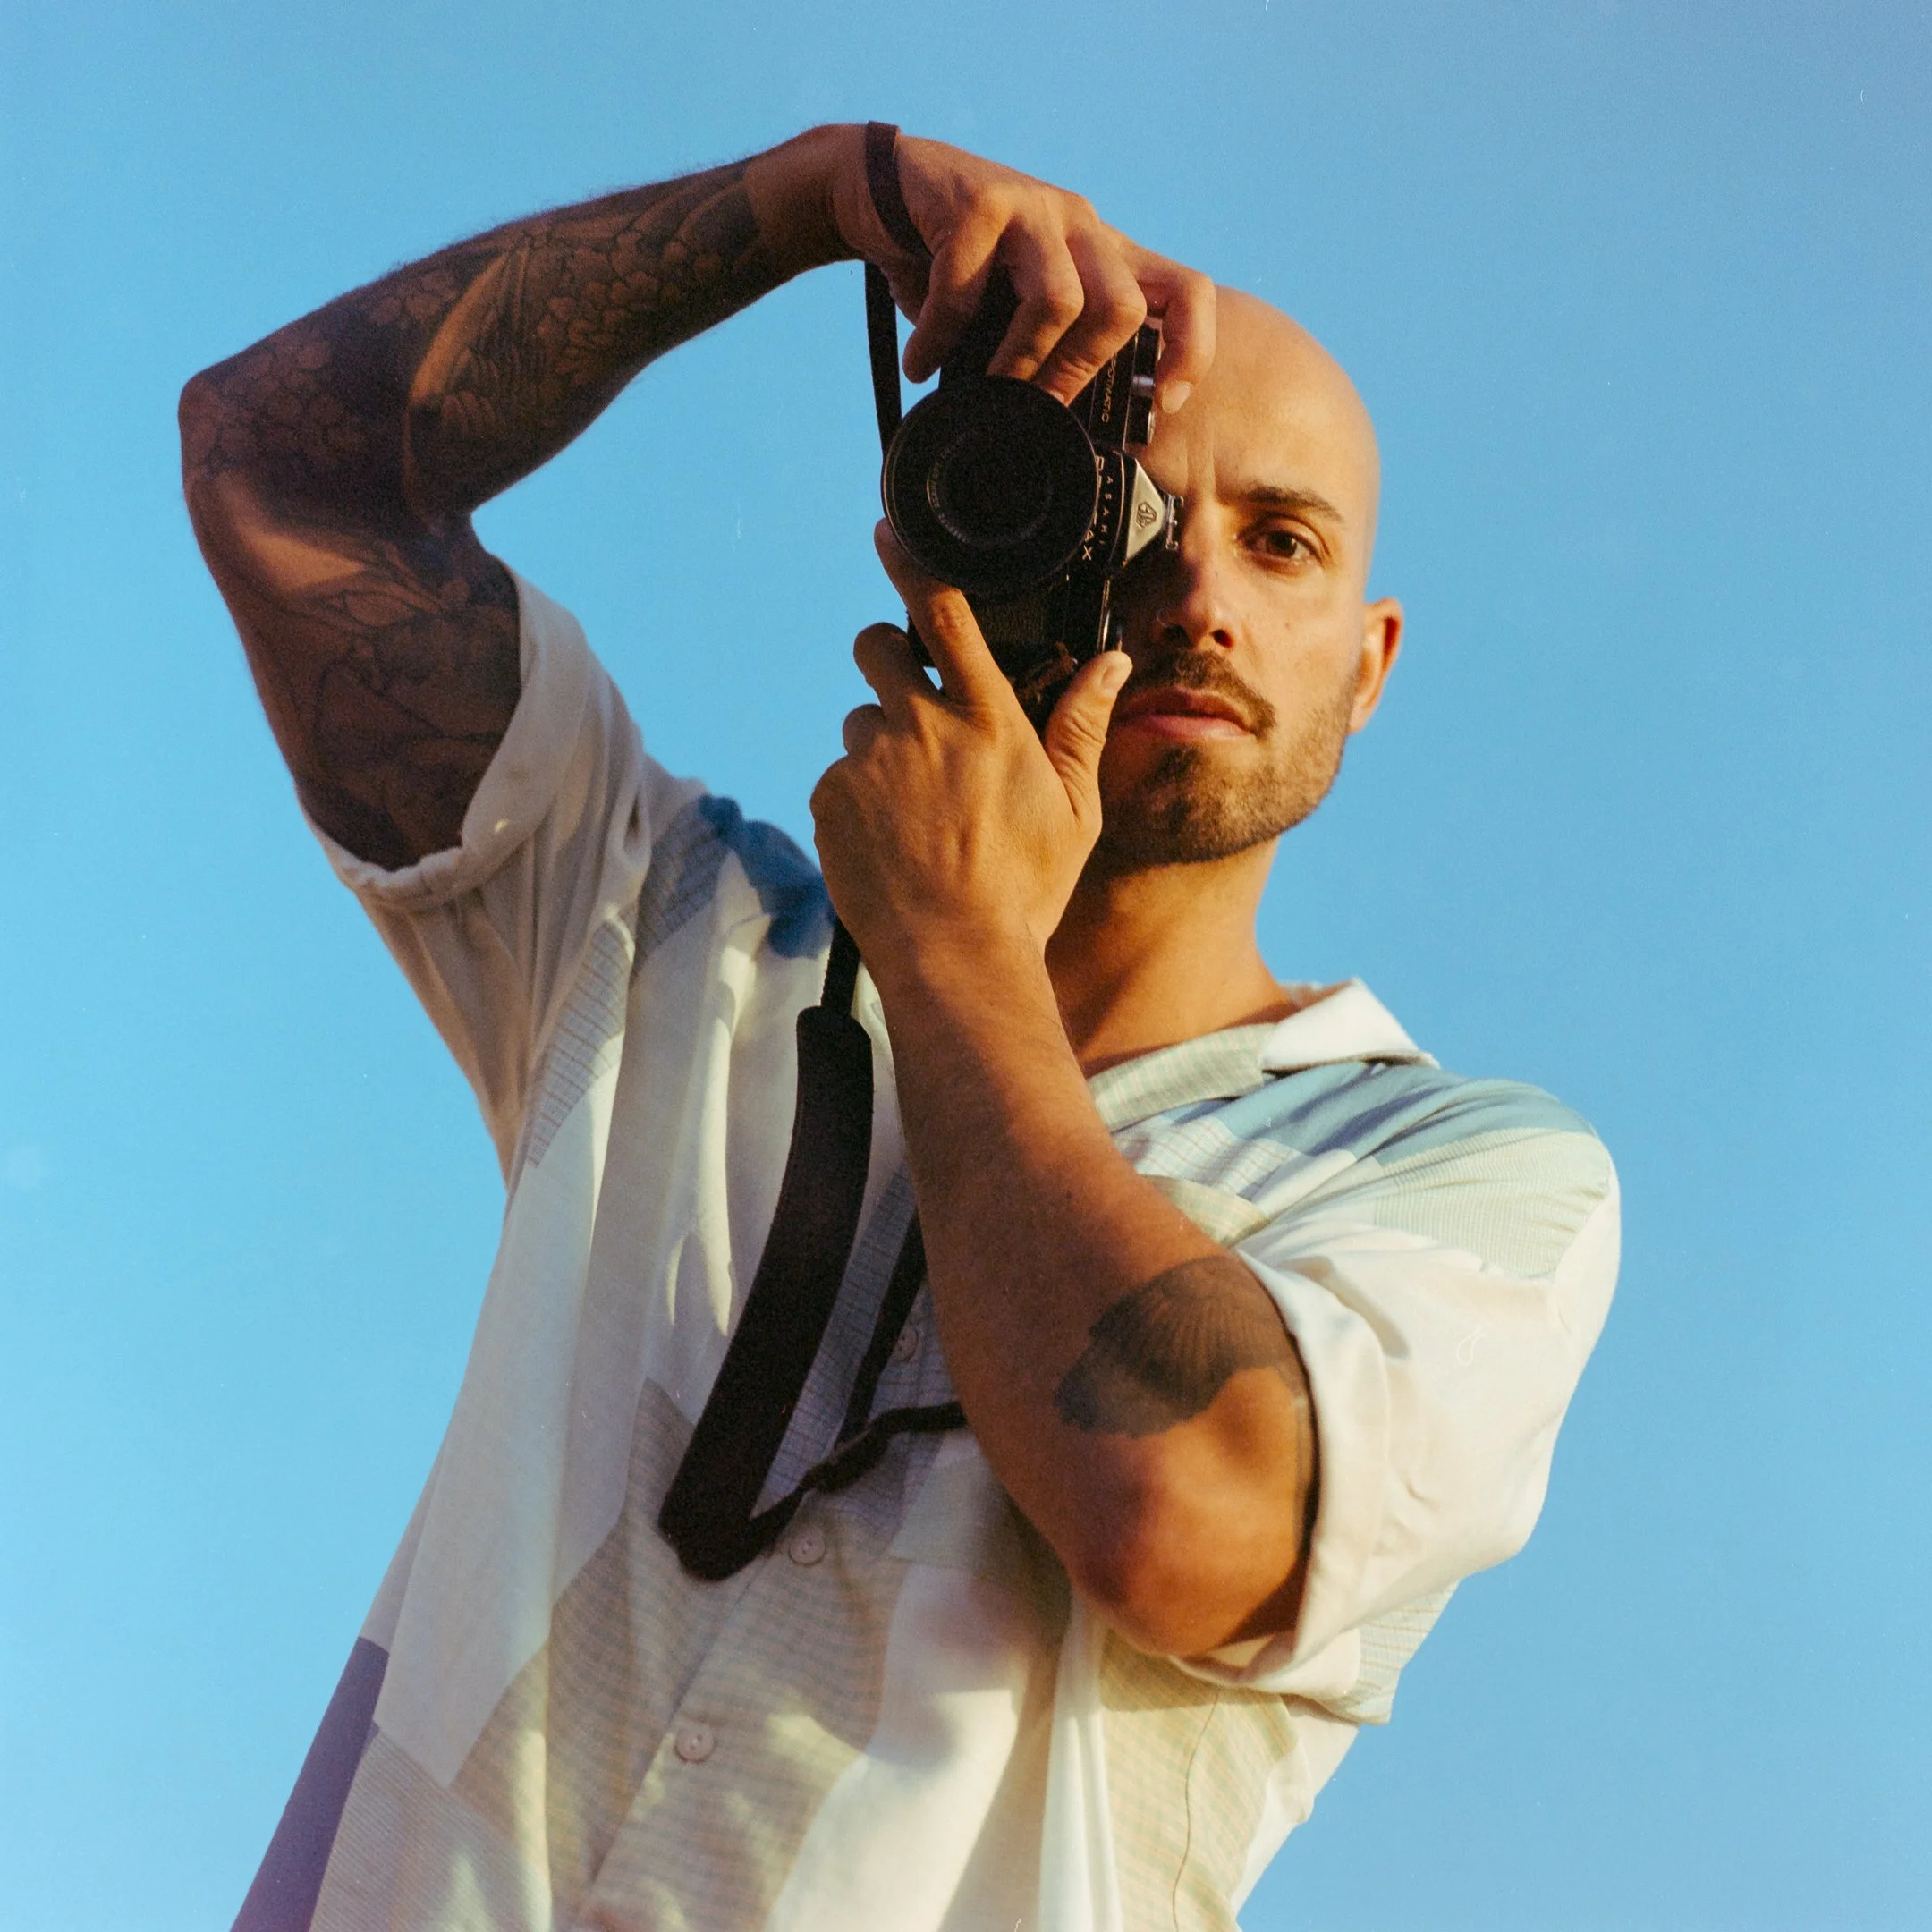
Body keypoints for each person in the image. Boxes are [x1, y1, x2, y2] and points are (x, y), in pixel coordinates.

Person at [181, 122, 1618, 1932]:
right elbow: (279, 469)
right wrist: (794, 206)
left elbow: (1183, 1514)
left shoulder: (1469, 1176)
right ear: (962, 505)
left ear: (1372, 654)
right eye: (1141, 505)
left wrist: (956, 957)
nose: (1197, 591)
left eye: (1286, 540)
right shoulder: (673, 943)